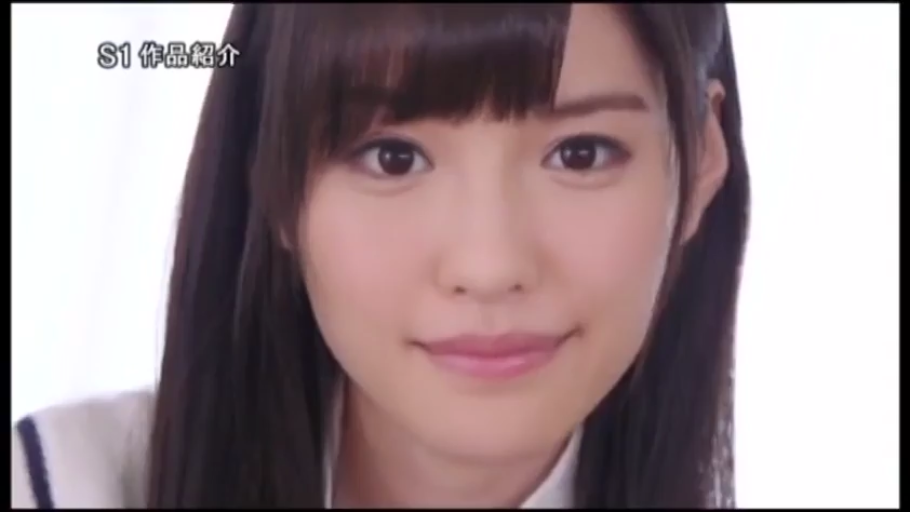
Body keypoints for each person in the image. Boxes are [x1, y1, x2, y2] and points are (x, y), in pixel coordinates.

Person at [11, 3, 750, 508]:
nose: (488, 266)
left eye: (580, 153)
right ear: (272, 180)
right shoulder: (62, 487)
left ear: (702, 161)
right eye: (393, 157)